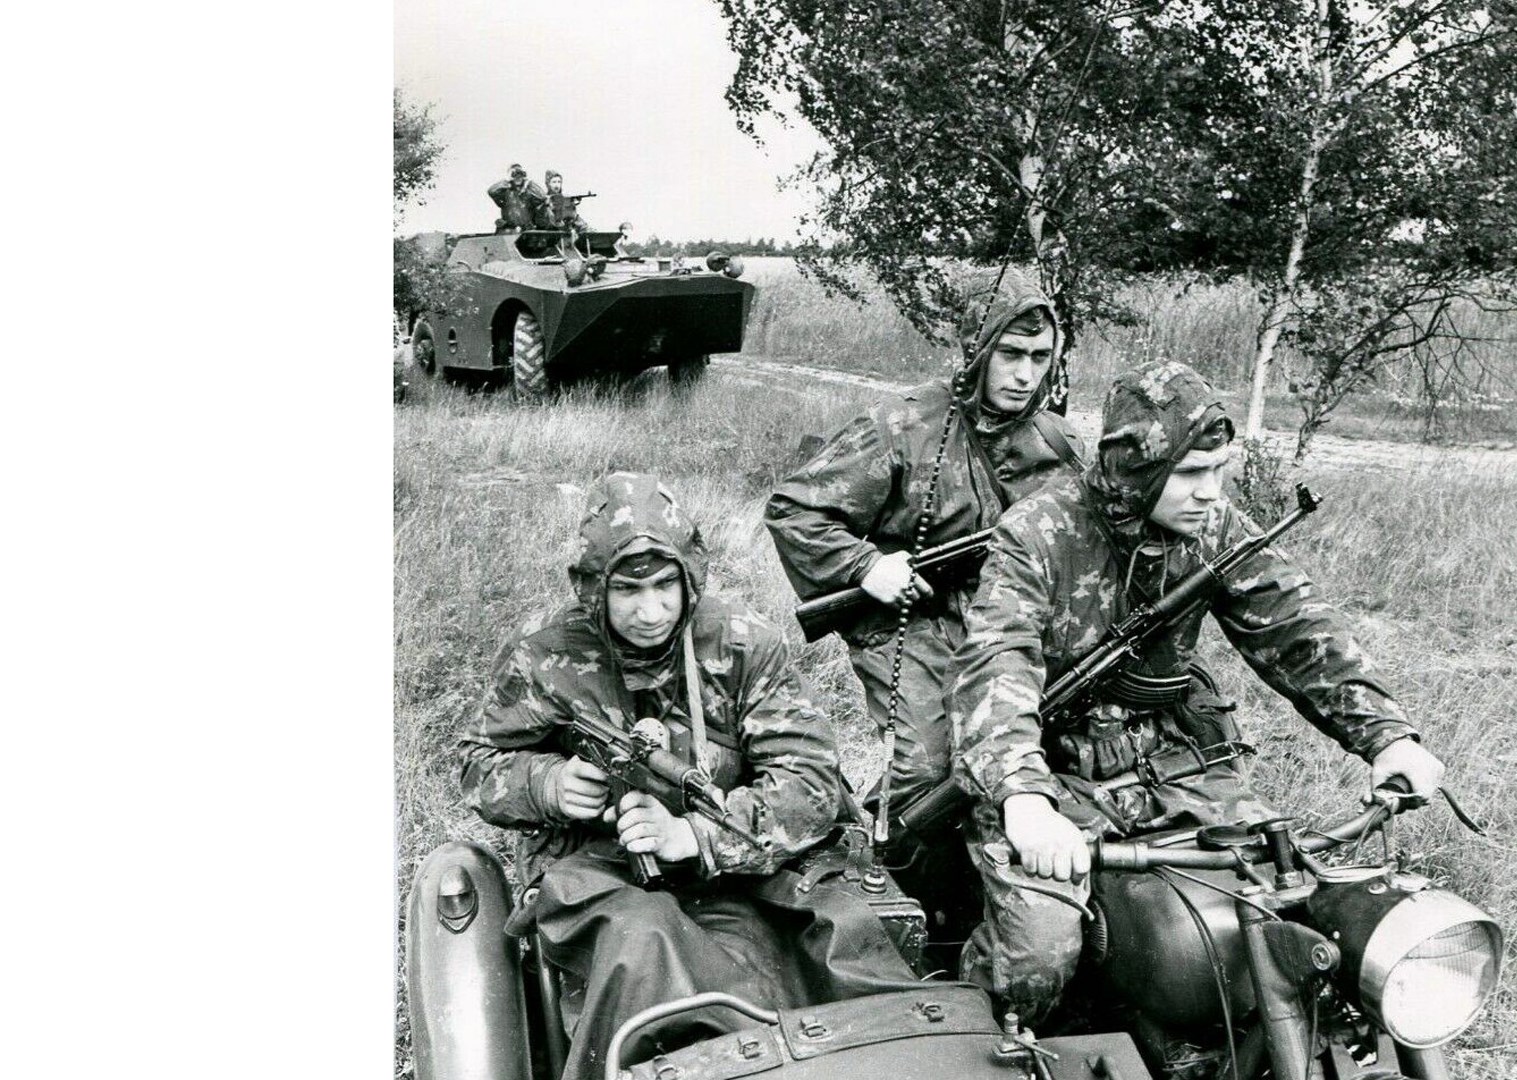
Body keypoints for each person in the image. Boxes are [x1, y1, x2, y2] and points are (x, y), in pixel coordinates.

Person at [946, 360, 1446, 1023]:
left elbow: (1299, 631)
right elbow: (997, 663)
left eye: (1219, 471)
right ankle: (979, 1041)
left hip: (1178, 765)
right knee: (1036, 961)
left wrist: (1387, 736)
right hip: (1054, 773)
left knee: (1290, 910)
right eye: (1189, 473)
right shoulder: (1036, 533)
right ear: (1136, 469)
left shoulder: (1215, 529)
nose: (1211, 492)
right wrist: (1023, 798)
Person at [458, 472, 922, 1080]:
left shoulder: (742, 642)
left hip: (742, 866)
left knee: (847, 949)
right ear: (595, 588)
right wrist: (547, 784)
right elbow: (477, 762)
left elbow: (809, 779)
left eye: (664, 586)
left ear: (689, 577)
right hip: (601, 869)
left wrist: (697, 837)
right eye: (627, 590)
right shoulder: (545, 655)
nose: (649, 611)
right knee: (642, 951)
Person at [764, 268, 1082, 827]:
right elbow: (794, 510)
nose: (1025, 374)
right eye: (1010, 354)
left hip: (1013, 626)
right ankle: (883, 867)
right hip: (916, 619)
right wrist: (867, 566)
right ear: (976, 349)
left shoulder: (1059, 443)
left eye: (1040, 357)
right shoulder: (903, 426)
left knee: (1038, 754)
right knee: (927, 771)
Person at [487, 163, 547, 232]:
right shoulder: (505, 192)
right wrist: (507, 181)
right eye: (514, 174)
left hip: (526, 230)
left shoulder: (529, 192)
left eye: (520, 174)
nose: (518, 177)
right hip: (509, 230)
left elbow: (543, 197)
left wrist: (529, 183)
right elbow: (491, 191)